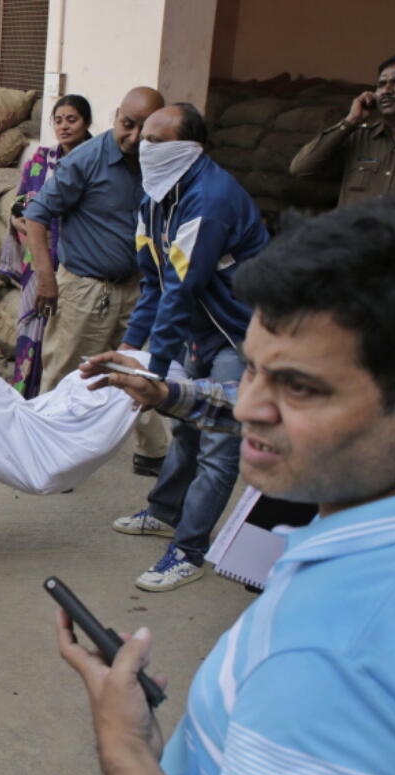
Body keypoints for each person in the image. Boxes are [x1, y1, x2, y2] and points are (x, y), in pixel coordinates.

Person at [58, 194, 395, 775]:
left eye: (299, 387)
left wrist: (123, 741)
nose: (251, 406)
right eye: (253, 369)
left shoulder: (332, 657)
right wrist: (169, 392)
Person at [110, 103, 268, 592]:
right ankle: (163, 512)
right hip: (202, 329)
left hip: (239, 332)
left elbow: (181, 287)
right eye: (141, 136)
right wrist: (132, 348)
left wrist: (154, 373)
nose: (142, 145)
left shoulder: (210, 197)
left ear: (189, 147)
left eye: (157, 139)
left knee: (219, 446)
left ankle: (189, 550)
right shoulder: (156, 196)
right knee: (188, 428)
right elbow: (154, 280)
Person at [23, 87, 168, 476]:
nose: (134, 137)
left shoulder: (154, 160)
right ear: (115, 115)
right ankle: (47, 455)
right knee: (67, 373)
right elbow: (35, 217)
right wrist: (46, 279)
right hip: (84, 288)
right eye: (127, 125)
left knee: (141, 369)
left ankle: (153, 452)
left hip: (136, 287)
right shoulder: (85, 161)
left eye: (145, 129)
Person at [1, 93, 93, 397]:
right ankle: (26, 394)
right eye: (58, 120)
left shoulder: (95, 161)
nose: (64, 126)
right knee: (33, 327)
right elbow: (20, 200)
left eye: (72, 119)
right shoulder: (40, 160)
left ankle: (56, 398)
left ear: (87, 122)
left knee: (66, 336)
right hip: (38, 255)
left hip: (77, 260)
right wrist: (17, 219)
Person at [289, 53, 395, 206]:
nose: (386, 90)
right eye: (381, 84)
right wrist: (350, 121)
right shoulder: (358, 136)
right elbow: (301, 169)